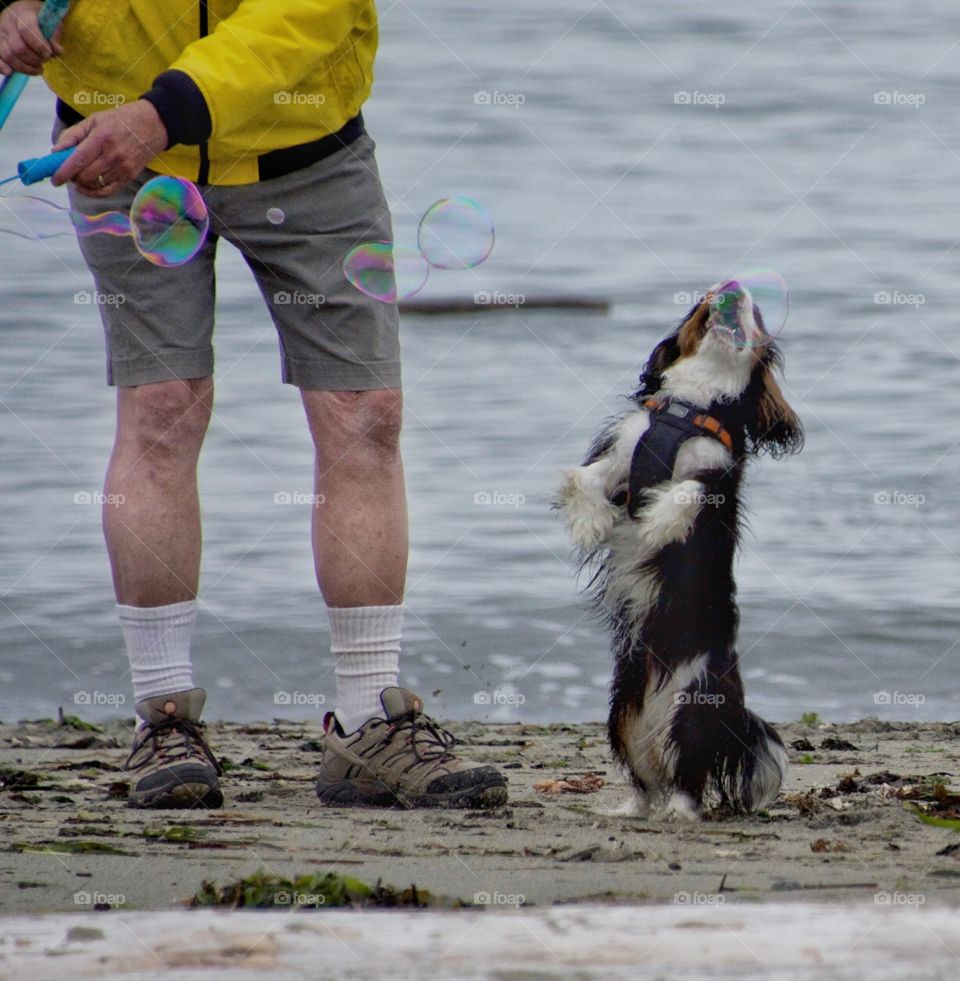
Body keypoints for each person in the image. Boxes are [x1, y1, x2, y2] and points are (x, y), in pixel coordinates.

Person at [0, 0, 507, 810]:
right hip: (113, 150)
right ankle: (164, 715)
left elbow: (311, 11)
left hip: (304, 149)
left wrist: (161, 113)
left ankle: (368, 721)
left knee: (365, 414)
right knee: (162, 405)